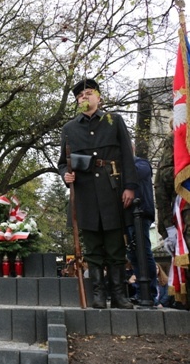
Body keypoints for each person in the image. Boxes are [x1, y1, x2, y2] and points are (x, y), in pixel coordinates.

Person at [58, 78, 137, 309]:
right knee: (92, 248)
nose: (85, 97)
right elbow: (63, 163)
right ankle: (98, 295)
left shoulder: (114, 121)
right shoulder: (69, 129)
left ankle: (120, 295)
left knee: (115, 246)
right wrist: (66, 175)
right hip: (84, 194)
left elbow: (127, 157)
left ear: (99, 97)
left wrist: (130, 186)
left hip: (112, 190)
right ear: (76, 102)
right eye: (80, 95)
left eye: (89, 93)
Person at [124, 143, 157, 304]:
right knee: (133, 255)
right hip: (127, 216)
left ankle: (149, 292)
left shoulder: (141, 164)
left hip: (141, 213)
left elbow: (135, 175)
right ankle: (140, 291)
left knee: (144, 252)